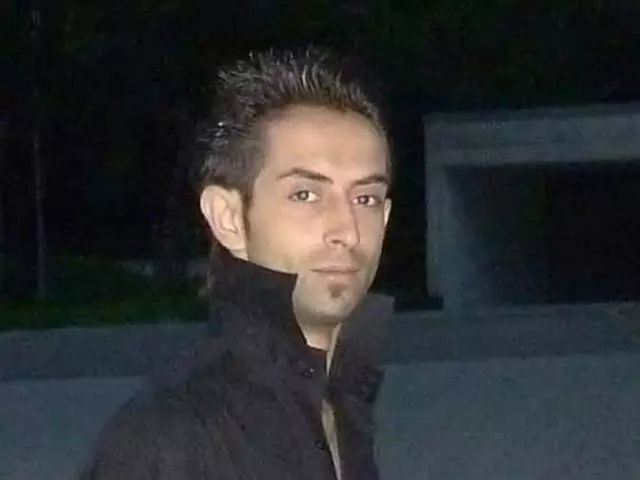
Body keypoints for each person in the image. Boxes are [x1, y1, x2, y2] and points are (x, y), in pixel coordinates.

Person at [81, 46, 394, 480]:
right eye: (305, 195)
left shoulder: (342, 408)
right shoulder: (170, 438)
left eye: (366, 198)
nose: (349, 231)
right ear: (228, 218)